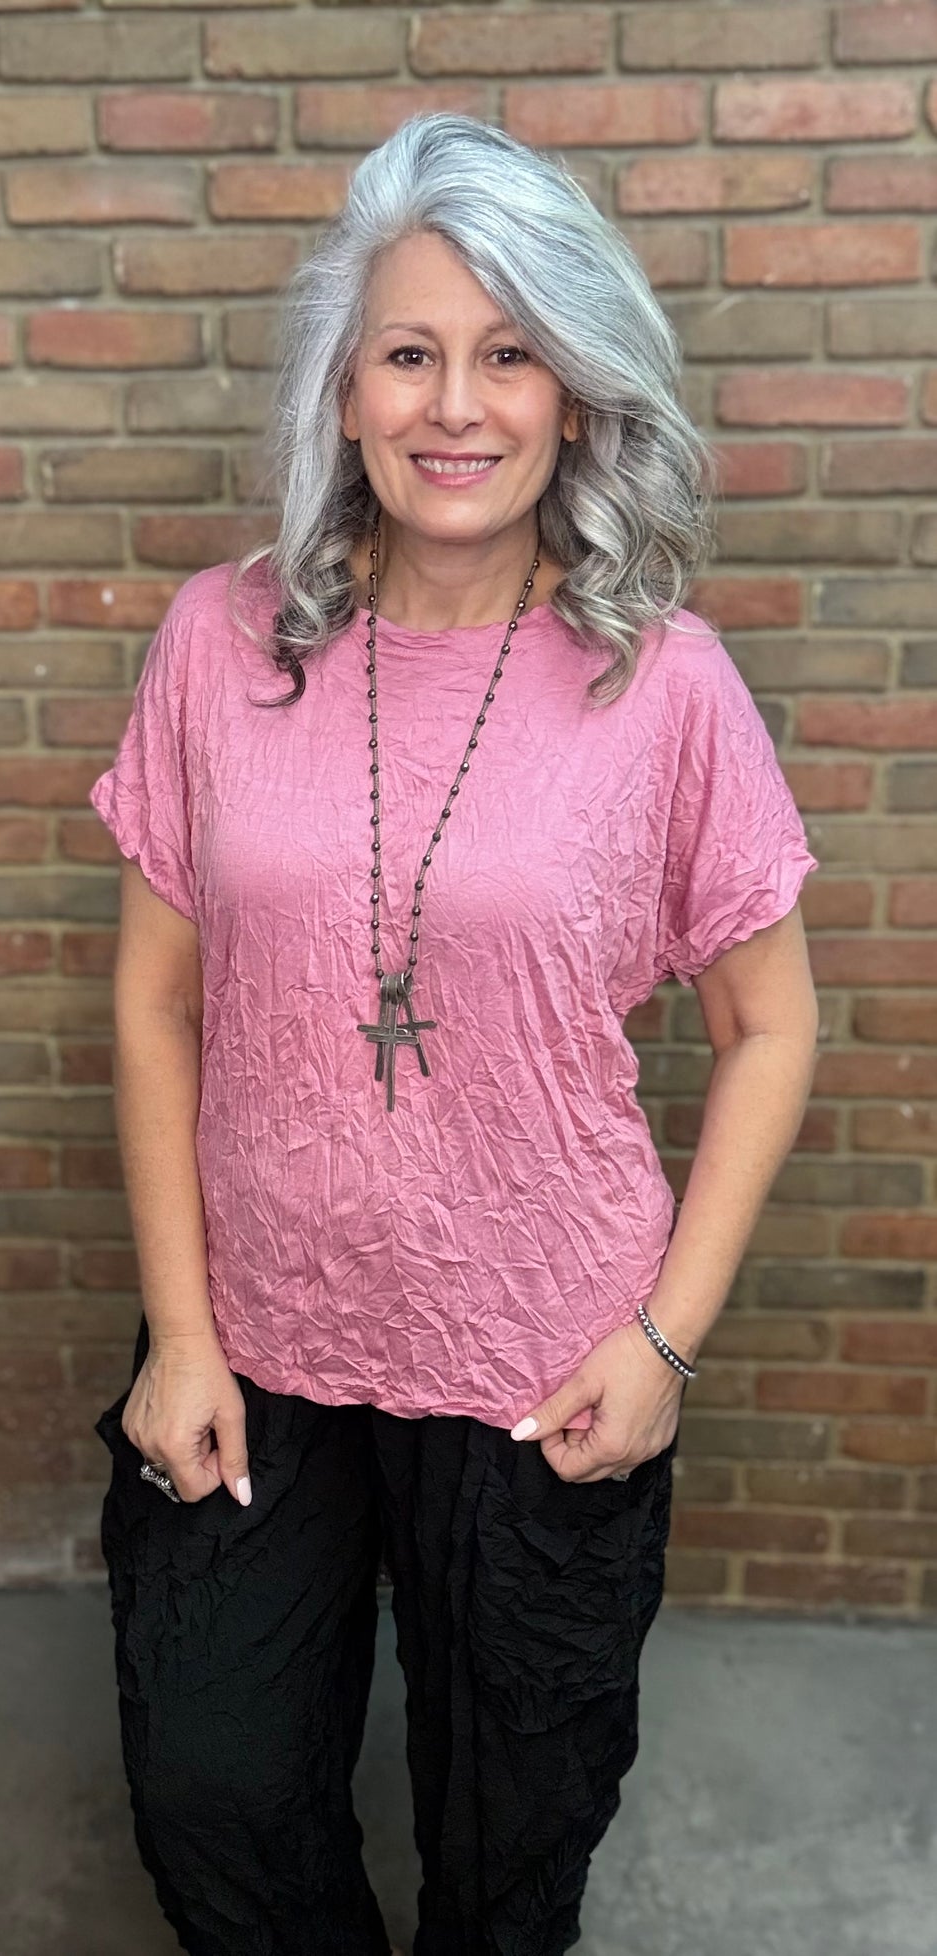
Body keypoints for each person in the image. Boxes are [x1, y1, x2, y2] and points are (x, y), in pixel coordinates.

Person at [88, 113, 820, 1956]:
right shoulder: (218, 644)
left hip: (544, 1361)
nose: (457, 405)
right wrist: (179, 1333)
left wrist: (666, 1340)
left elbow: (771, 1024)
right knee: (215, 1793)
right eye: (409, 352)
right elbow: (155, 1000)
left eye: (510, 354)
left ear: (575, 397)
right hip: (257, 1334)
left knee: (514, 1837)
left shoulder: (664, 684)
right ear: (345, 394)